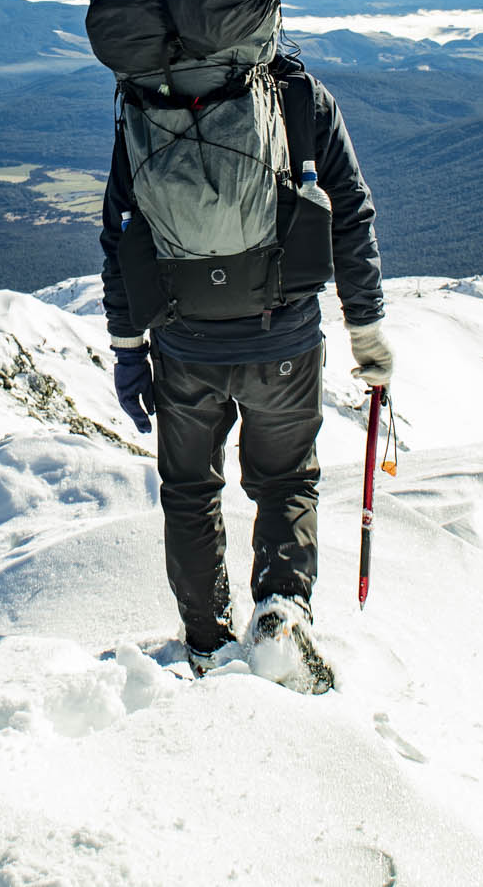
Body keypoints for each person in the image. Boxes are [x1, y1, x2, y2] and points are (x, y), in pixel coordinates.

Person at [99, 51, 391, 686]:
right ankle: (282, 612)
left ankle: (206, 642)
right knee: (286, 480)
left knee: (189, 492)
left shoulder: (149, 98)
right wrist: (365, 329)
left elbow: (119, 229)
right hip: (281, 338)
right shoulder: (298, 95)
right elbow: (350, 211)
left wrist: (128, 350)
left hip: (183, 348)